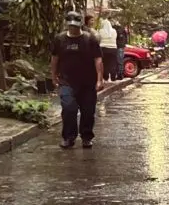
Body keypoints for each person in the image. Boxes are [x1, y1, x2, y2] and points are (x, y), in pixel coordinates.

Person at [51, 11, 104, 149]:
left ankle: (86, 137)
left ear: (80, 25)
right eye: (71, 26)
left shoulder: (90, 39)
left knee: (88, 111)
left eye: (75, 26)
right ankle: (69, 137)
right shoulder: (59, 39)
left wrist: (99, 79)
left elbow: (98, 59)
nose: (73, 29)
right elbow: (55, 58)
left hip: (87, 82)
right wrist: (53, 75)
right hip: (67, 81)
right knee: (69, 108)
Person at [98, 17, 119, 81]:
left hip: (103, 49)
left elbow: (98, 39)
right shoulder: (114, 31)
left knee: (105, 64)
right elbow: (115, 38)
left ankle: (106, 77)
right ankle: (113, 77)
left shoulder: (100, 31)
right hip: (113, 49)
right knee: (113, 63)